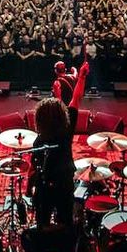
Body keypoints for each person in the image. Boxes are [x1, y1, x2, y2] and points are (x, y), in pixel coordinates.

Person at [30, 58, 90, 231]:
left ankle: (42, 242)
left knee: (43, 219)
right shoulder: (66, 132)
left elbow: (34, 166)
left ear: (39, 120)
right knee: (66, 217)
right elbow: (76, 99)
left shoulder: (38, 141)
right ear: (63, 117)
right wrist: (83, 77)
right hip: (64, 183)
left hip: (44, 186)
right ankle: (66, 243)